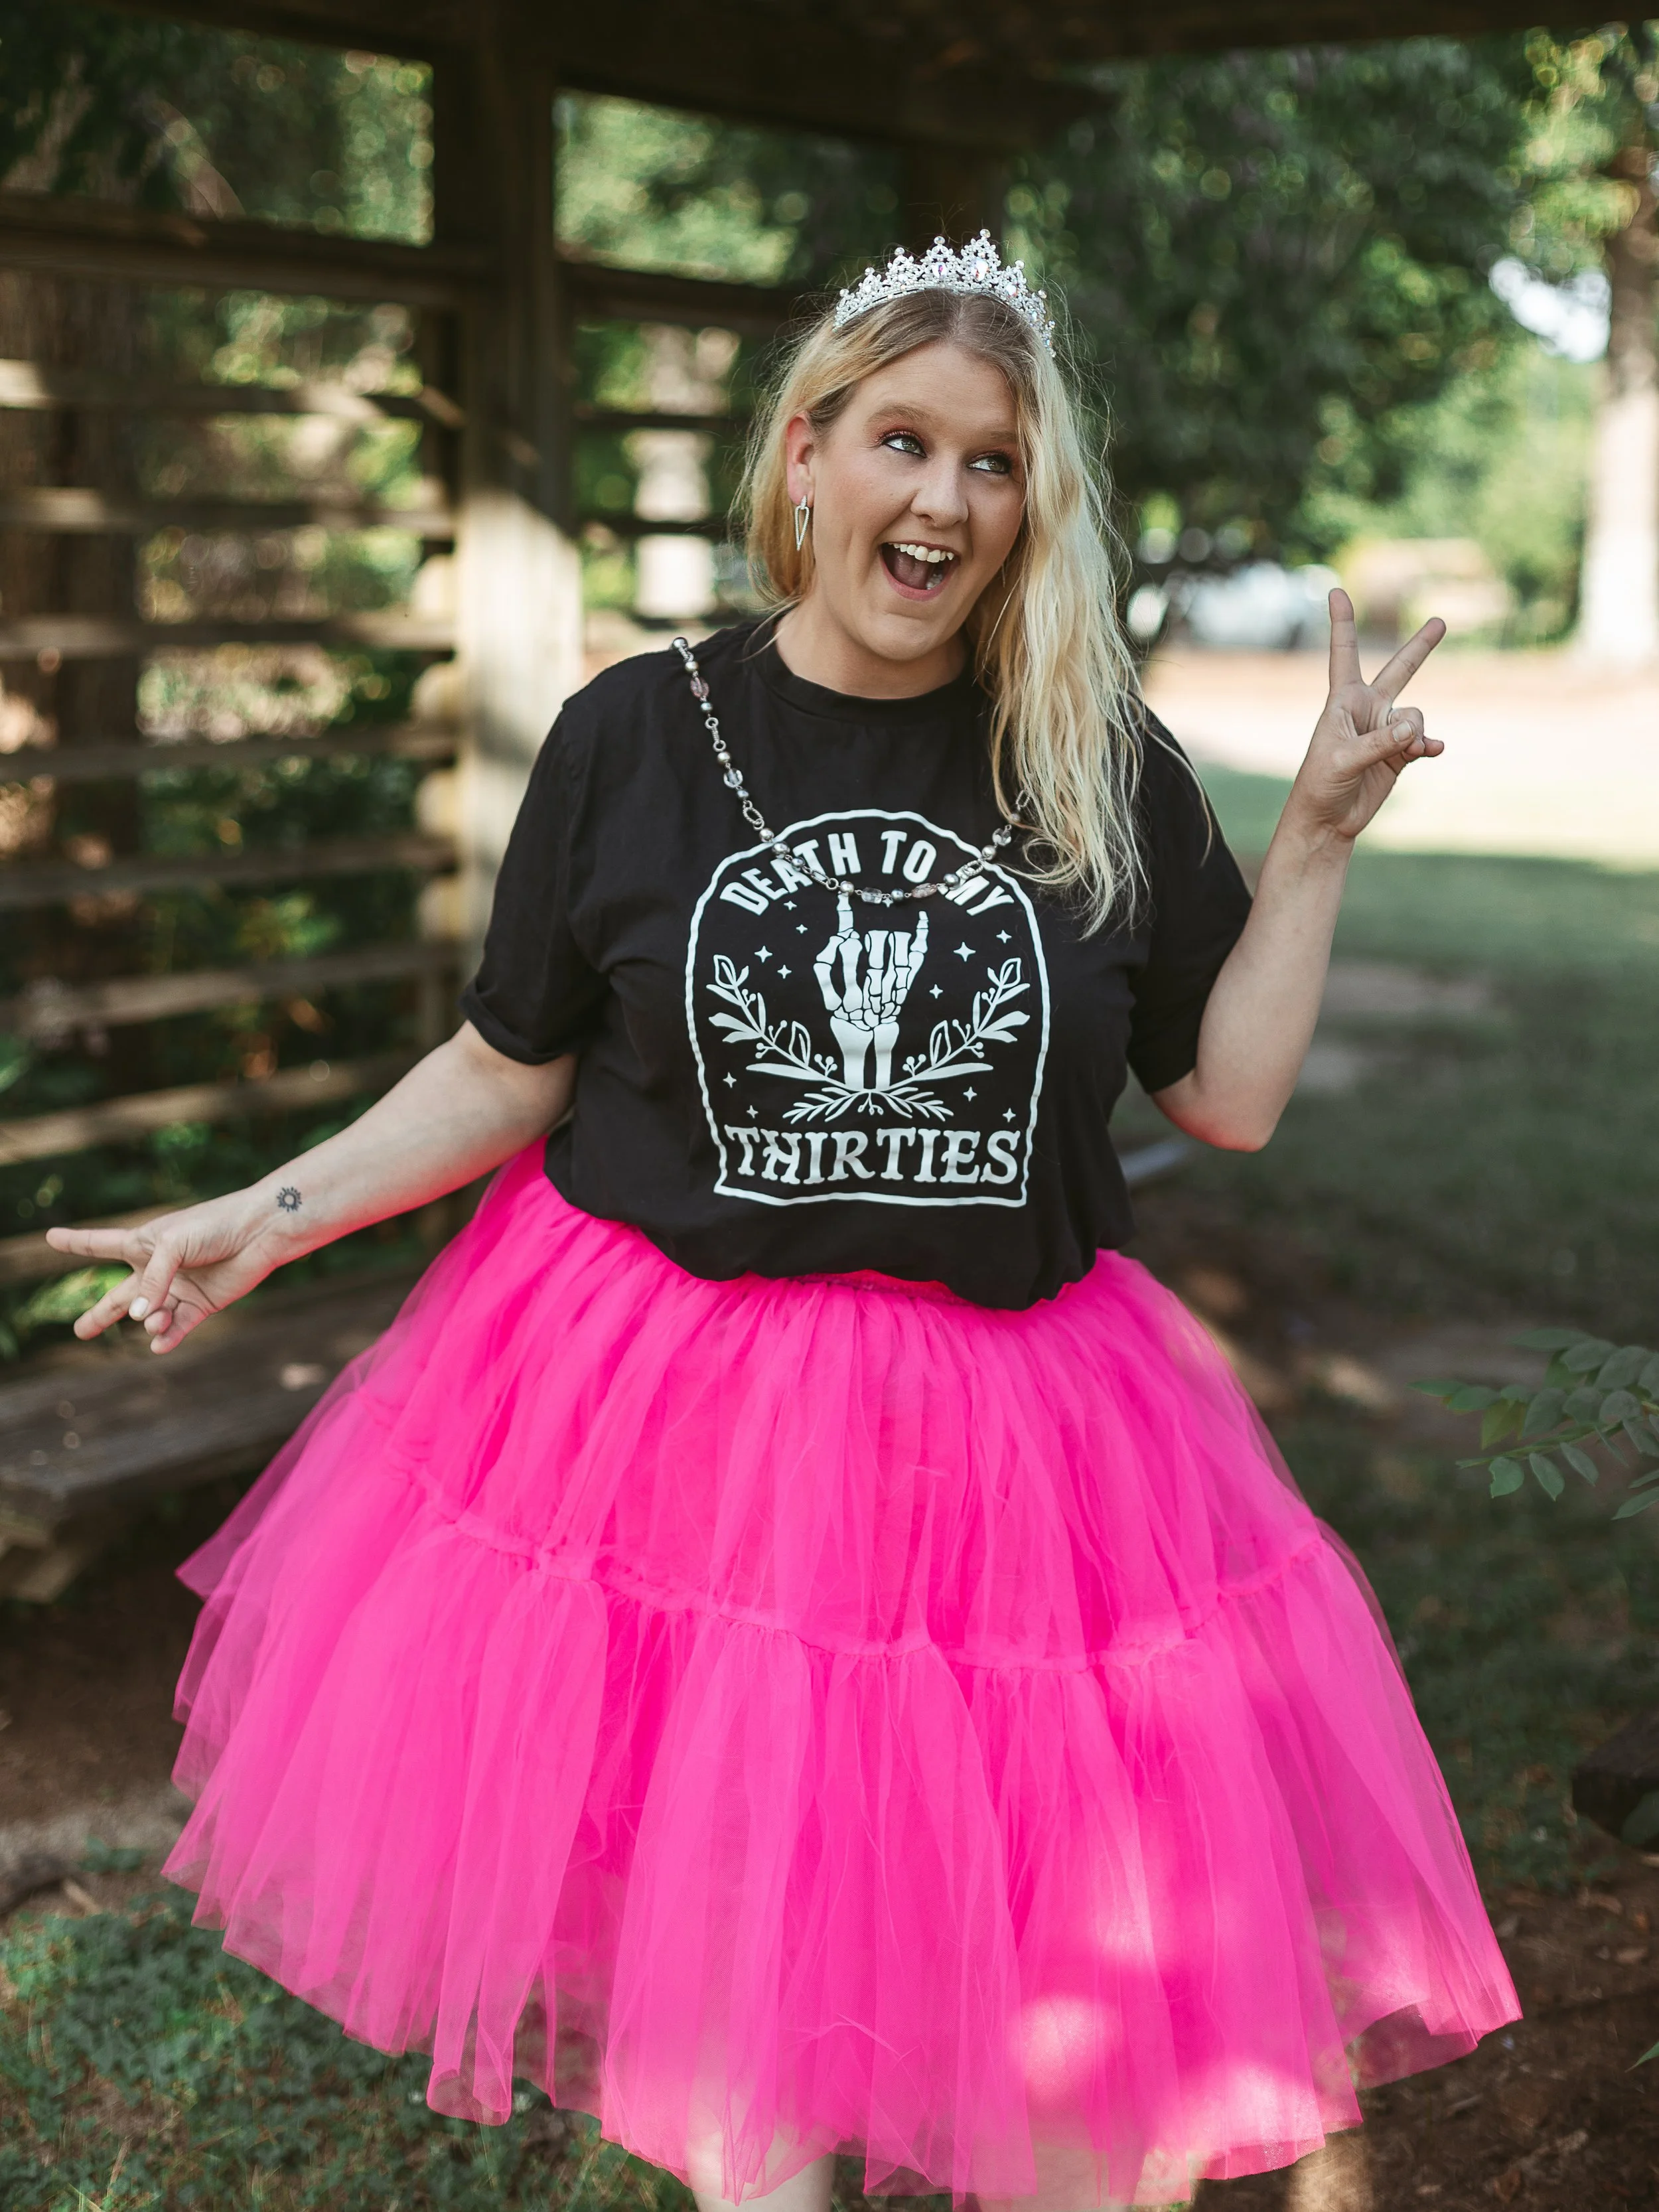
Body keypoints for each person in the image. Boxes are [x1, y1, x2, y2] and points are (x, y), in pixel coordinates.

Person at [52, 234, 1517, 2210]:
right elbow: (509, 1066)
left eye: (990, 463)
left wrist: (1319, 838)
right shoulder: (637, 735)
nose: (941, 498)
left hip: (1020, 1449)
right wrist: (269, 1212)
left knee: (1077, 2066)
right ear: (806, 456)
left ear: (1028, 505)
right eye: (900, 442)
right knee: (739, 2040)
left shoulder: (1085, 755)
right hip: (684, 1438)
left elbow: (1222, 1095)